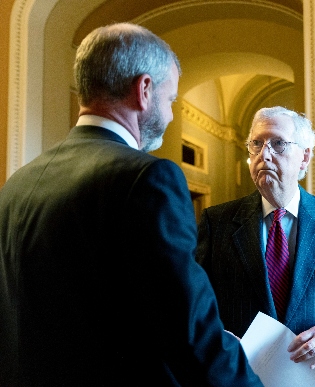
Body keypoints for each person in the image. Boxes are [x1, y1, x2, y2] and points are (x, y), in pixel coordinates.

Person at [0, 23, 262, 386]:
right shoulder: (148, 179)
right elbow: (189, 333)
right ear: (144, 90)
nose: (171, 115)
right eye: (171, 100)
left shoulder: (18, 182)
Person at [196, 106, 315, 386]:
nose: (264, 154)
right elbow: (192, 301)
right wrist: (213, 335)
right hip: (237, 377)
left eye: (278, 143)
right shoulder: (216, 221)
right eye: (256, 144)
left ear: (304, 157)